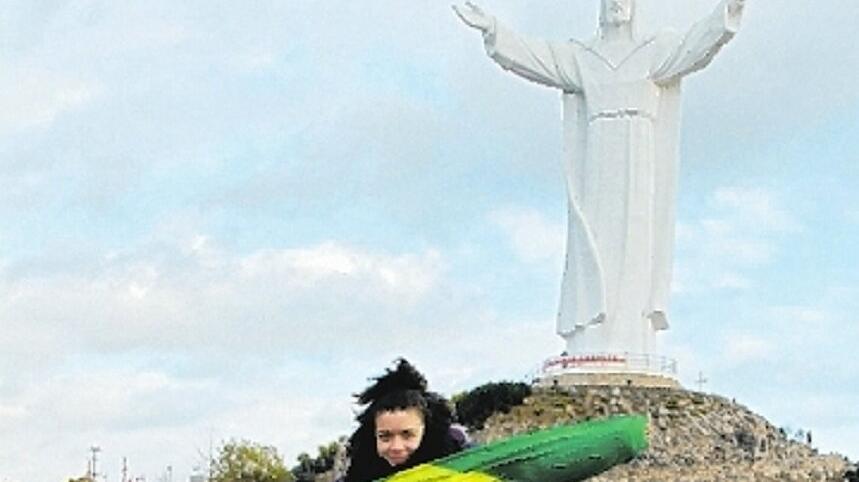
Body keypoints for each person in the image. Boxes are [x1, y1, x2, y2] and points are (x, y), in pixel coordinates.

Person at [453, 0, 746, 359]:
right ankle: (591, 338)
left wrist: (728, 10)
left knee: (635, 246)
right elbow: (537, 57)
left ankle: (631, 340)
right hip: (597, 161)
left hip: (639, 159)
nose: (617, 5)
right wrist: (492, 27)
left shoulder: (654, 49)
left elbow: (697, 43)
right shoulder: (583, 56)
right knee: (594, 244)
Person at [343, 359, 467, 482]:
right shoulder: (360, 469)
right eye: (384, 436)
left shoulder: (459, 456)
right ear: (372, 435)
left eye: (407, 434)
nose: (396, 447)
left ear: (426, 430)